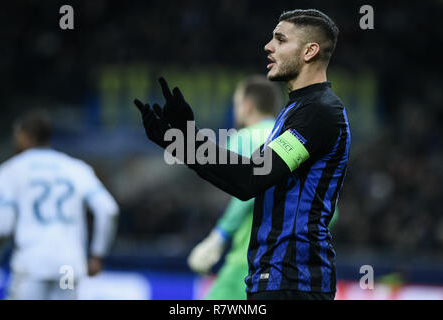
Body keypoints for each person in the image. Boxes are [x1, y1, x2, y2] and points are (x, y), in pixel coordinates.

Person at [135, 9, 350, 300]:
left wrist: (189, 140)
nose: (268, 46)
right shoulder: (295, 111)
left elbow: (250, 179)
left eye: (280, 39)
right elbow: (243, 180)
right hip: (272, 277)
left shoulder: (321, 112)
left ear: (309, 51)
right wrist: (179, 142)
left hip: (294, 282)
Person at [0, 110, 119, 300]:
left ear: (25, 136)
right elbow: (108, 210)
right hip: (67, 268)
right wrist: (97, 254)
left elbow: (4, 224)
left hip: (31, 266)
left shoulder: (10, 170)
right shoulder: (76, 168)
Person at [187, 76, 281, 300]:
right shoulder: (292, 138)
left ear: (247, 105)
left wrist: (219, 235)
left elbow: (247, 191)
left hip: (249, 258)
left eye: (236, 103)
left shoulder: (245, 138)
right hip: (292, 263)